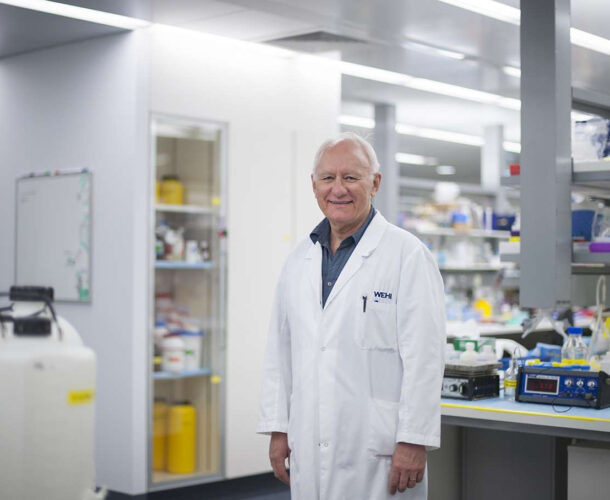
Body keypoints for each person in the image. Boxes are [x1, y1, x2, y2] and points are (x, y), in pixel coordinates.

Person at [257, 132, 446, 499]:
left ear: (375, 183)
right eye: (328, 178)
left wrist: (414, 439)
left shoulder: (406, 255)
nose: (338, 189)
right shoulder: (298, 260)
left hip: (379, 450)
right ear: (314, 186)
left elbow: (425, 357)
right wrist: (279, 429)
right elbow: (279, 354)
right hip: (309, 440)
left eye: (351, 177)